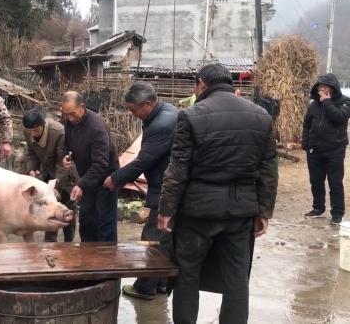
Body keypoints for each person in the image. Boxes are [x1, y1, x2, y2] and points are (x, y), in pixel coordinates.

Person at [157, 64, 278, 323]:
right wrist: (264, 211)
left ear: (201, 83)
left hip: (197, 213)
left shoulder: (190, 116)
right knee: (237, 278)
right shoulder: (261, 116)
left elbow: (177, 169)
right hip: (240, 211)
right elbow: (268, 170)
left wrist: (166, 210)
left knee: (187, 275)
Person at [103, 82, 178, 300]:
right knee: (165, 237)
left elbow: (143, 161)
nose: (131, 114)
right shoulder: (165, 113)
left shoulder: (161, 124)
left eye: (133, 109)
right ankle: (161, 283)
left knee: (151, 238)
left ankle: (144, 287)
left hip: (166, 187)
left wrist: (114, 179)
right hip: (167, 183)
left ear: (148, 103)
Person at [61, 91, 120, 242]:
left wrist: (81, 185)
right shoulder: (70, 123)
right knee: (87, 221)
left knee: (104, 222)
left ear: (82, 106)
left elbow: (101, 164)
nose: (69, 118)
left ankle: (107, 260)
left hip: (106, 179)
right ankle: (87, 257)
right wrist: (67, 156)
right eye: (66, 114)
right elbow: (66, 145)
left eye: (72, 113)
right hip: (88, 179)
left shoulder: (96, 127)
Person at [22, 108, 77, 242]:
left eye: (36, 130)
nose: (33, 134)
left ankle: (69, 243)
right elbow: (31, 152)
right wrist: (31, 170)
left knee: (67, 209)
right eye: (30, 131)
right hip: (47, 172)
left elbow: (62, 161)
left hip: (66, 173)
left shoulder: (58, 132)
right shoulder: (28, 130)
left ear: (43, 125)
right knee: (50, 208)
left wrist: (56, 183)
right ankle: (50, 243)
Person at [302, 73, 350, 225]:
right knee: (316, 181)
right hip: (315, 150)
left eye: (325, 86)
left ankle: (337, 213)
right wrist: (306, 143)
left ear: (333, 88)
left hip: (335, 149)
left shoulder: (345, 102)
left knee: (335, 182)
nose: (322, 89)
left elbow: (340, 117)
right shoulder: (313, 104)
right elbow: (307, 125)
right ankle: (318, 208)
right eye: (320, 87)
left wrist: (327, 102)